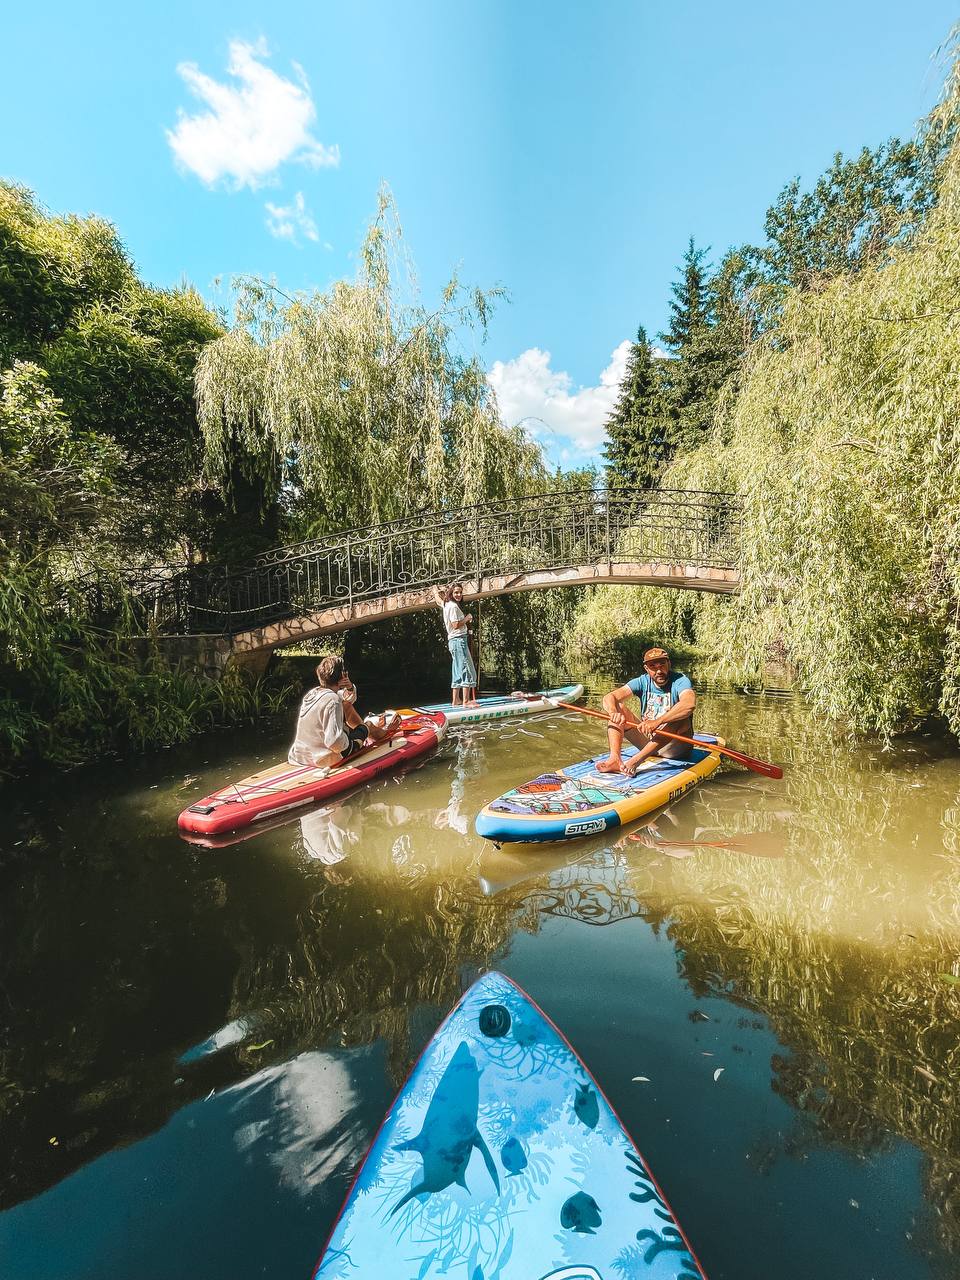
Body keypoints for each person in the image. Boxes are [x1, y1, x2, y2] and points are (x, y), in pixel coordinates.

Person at [596, 646, 696, 775]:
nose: (659, 670)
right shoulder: (642, 681)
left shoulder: (680, 681)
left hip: (675, 748)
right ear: (646, 669)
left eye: (662, 664)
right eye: (653, 666)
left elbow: (689, 704)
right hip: (649, 742)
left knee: (682, 719)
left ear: (669, 663)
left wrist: (657, 722)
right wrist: (613, 712)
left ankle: (635, 761)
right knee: (618, 707)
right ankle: (615, 759)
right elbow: (610, 697)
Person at [289, 656, 398, 769]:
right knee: (368, 726)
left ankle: (371, 732)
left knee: (347, 706)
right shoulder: (333, 700)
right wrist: (355, 738)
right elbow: (335, 742)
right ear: (342, 675)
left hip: (300, 756)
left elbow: (348, 699)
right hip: (324, 759)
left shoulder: (314, 693)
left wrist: (349, 687)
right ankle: (378, 732)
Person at [440, 582, 478, 706]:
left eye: (460, 592)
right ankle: (466, 702)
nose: (459, 594)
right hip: (458, 640)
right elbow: (455, 625)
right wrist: (467, 618)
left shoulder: (446, 605)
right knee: (466, 669)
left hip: (454, 641)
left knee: (457, 669)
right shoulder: (453, 607)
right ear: (451, 593)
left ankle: (456, 700)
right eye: (456, 592)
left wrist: (436, 592)